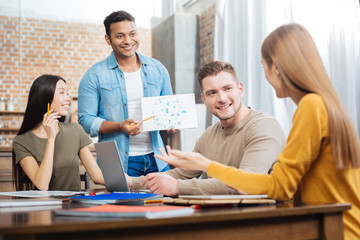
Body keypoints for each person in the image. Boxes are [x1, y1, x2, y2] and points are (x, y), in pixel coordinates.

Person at [155, 23, 360, 239]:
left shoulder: (311, 106)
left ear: (277, 68)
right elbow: (284, 186)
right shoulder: (323, 104)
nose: (265, 75)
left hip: (336, 231)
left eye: (263, 66)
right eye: (213, 92)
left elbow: (277, 186)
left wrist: (205, 165)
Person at [129, 61, 286, 196]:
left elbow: (246, 182)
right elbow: (180, 174)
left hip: (262, 220)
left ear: (240, 90)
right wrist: (130, 182)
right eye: (212, 93)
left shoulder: (264, 126)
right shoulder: (209, 135)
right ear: (204, 99)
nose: (222, 98)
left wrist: (177, 187)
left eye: (227, 88)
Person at [78, 10, 173, 177]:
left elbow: (169, 108)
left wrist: (172, 121)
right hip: (118, 162)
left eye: (132, 33)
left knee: (164, 203)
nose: (128, 41)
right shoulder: (94, 75)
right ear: (108, 39)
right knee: (122, 203)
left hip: (158, 159)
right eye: (120, 36)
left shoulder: (158, 69)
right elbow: (85, 120)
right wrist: (120, 126)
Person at [12, 75, 105, 191]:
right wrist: (51, 138)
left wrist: (126, 180)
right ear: (44, 97)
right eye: (62, 93)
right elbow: (42, 185)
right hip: (44, 206)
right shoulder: (21, 142)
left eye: (67, 93)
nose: (68, 98)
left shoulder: (75, 130)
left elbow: (97, 176)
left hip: (73, 206)